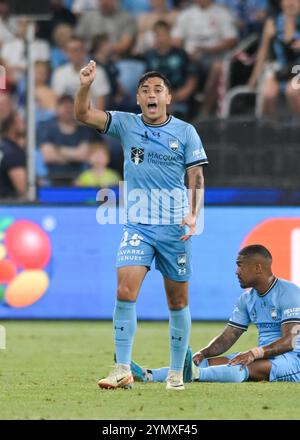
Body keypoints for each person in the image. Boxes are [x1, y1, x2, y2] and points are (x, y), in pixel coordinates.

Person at [75, 63, 208, 391]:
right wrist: (85, 86)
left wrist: (193, 215)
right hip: (138, 225)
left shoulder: (186, 132)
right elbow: (83, 114)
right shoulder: (125, 124)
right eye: (146, 90)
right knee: (124, 290)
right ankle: (122, 368)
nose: (151, 94)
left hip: (175, 227)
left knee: (177, 302)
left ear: (168, 97)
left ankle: (177, 372)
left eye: (157, 90)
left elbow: (197, 176)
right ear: (137, 98)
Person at [131, 244, 300, 383]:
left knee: (241, 367)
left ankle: (195, 375)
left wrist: (253, 353)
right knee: (204, 363)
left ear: (257, 268)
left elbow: (289, 342)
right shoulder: (247, 299)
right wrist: (203, 353)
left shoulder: (289, 292)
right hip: (263, 357)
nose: (236, 271)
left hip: (292, 359)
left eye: (240, 265)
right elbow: (228, 336)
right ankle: (149, 375)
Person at [172, 0, 238, 115]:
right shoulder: (186, 14)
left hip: (214, 55)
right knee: (174, 61)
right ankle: (174, 105)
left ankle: (205, 110)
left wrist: (205, 50)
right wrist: (186, 54)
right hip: (189, 56)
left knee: (218, 67)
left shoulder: (222, 13)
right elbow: (176, 40)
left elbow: (231, 40)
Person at [247, 0, 300, 117]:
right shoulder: (272, 23)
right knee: (268, 94)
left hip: (298, 68)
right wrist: (253, 78)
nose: (291, 3)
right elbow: (263, 53)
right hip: (281, 68)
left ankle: (296, 128)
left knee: (292, 91)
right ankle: (275, 130)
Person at [144, 20, 198, 118]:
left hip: (179, 92)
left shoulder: (181, 54)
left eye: (163, 35)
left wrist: (186, 90)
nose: (160, 39)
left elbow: (192, 75)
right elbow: (145, 79)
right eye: (157, 35)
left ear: (169, 36)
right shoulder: (150, 56)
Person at [38, 94, 92, 185]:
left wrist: (58, 150)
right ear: (57, 109)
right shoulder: (47, 128)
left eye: (71, 106)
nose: (68, 110)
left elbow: (83, 155)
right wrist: (75, 155)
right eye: (64, 106)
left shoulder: (83, 130)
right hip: (52, 179)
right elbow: (48, 156)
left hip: (79, 180)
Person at [52, 36, 110, 109]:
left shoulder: (98, 72)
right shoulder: (59, 73)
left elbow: (100, 105)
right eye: (70, 51)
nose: (73, 54)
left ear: (84, 52)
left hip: (89, 117)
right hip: (68, 118)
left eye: (76, 50)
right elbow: (57, 102)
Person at [0, 112, 26, 198]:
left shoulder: (3, 146)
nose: (24, 123)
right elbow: (23, 189)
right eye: (20, 121)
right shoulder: (13, 152)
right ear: (11, 126)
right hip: (9, 204)